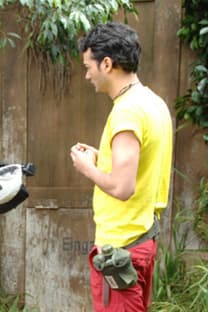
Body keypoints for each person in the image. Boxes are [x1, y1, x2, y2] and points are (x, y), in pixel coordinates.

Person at [70, 22, 173, 312]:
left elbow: (123, 187)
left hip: (121, 247)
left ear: (107, 63)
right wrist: (101, 157)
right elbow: (142, 166)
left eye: (88, 66)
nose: (87, 74)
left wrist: (86, 167)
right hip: (142, 239)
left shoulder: (126, 111)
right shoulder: (153, 103)